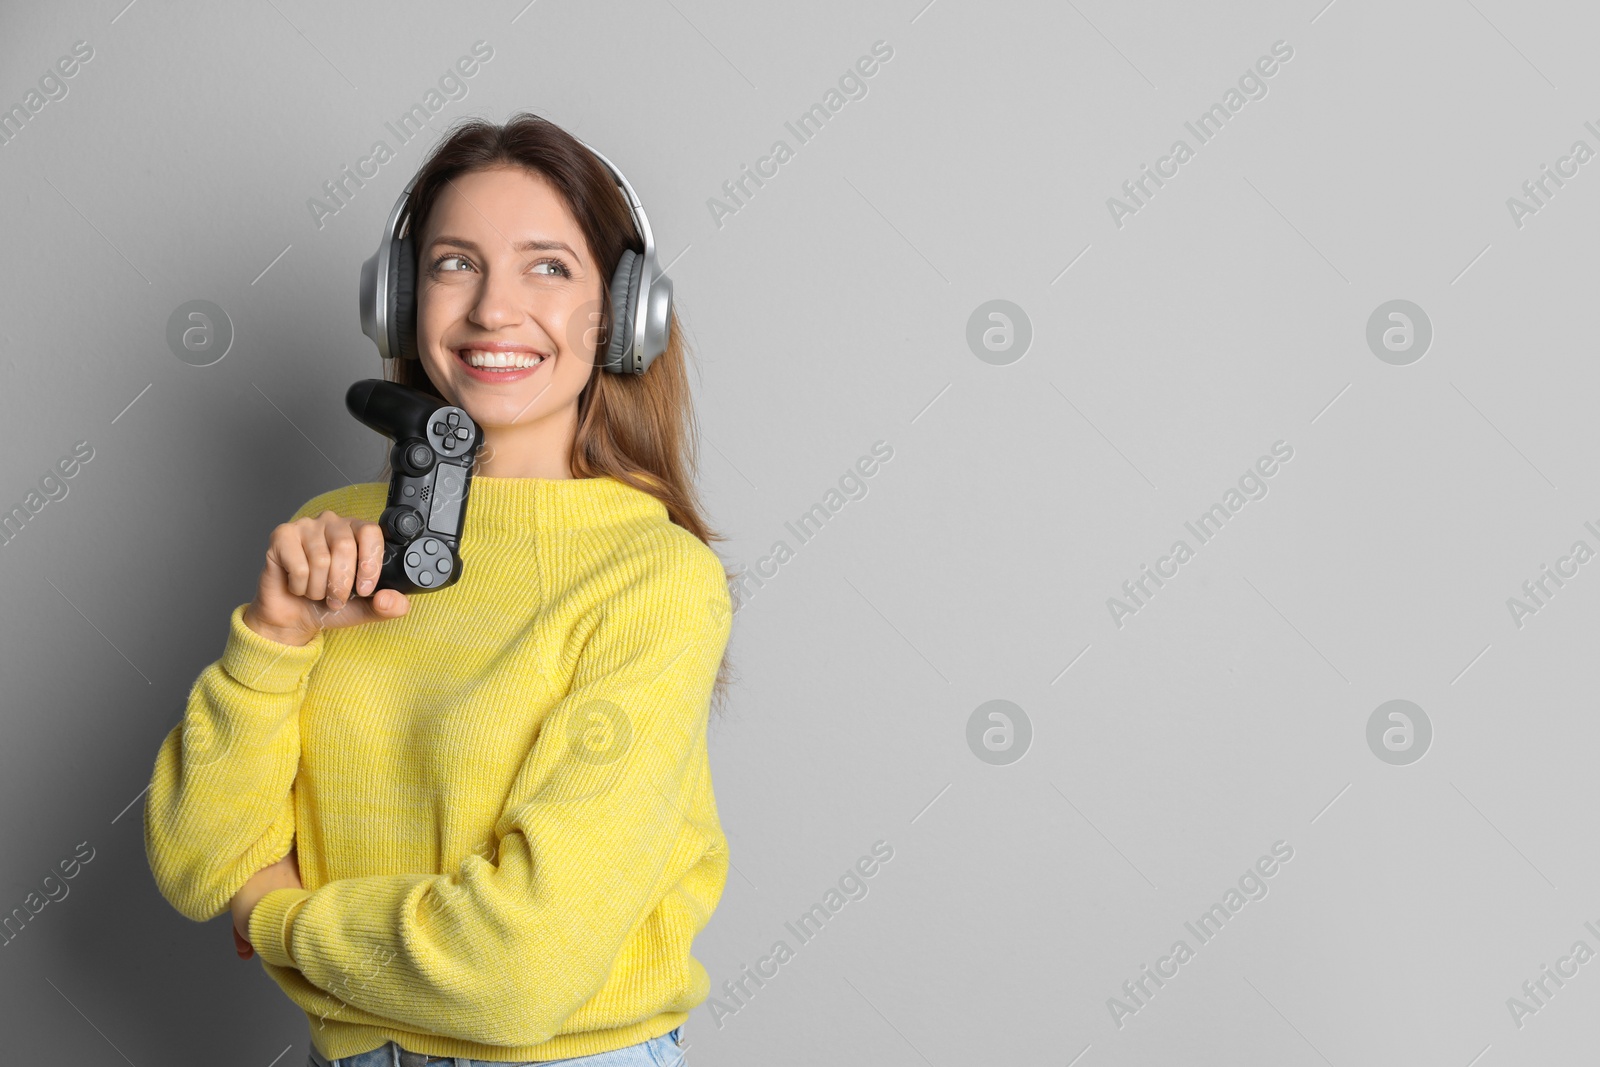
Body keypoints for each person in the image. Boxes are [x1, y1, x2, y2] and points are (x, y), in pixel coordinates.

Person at [143, 112, 735, 1065]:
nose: (494, 310)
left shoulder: (654, 580)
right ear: (402, 299)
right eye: (458, 263)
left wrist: (279, 916)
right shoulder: (334, 538)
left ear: (625, 315)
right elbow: (196, 854)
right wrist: (276, 633)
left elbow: (517, 971)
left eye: (547, 267)